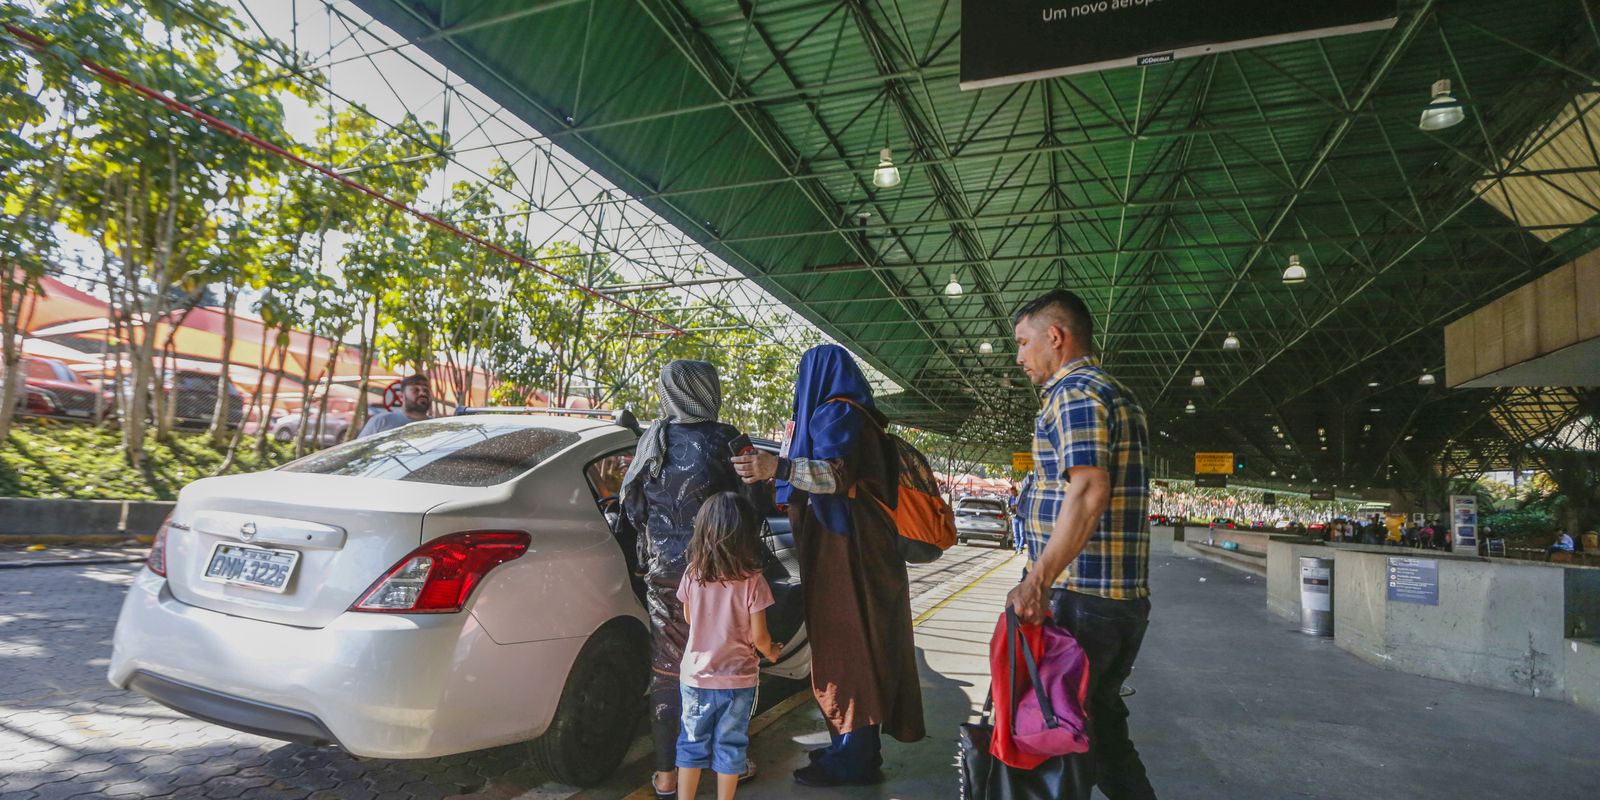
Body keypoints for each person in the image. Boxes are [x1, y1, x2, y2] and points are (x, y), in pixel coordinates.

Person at [731, 344, 925, 787]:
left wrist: (774, 466)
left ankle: (853, 759)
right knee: (860, 649)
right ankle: (855, 748)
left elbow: (834, 476)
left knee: (847, 650)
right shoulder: (858, 417)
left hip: (847, 556)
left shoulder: (839, 415)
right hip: (861, 553)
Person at [1006, 289, 1157, 800]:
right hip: (1118, 600)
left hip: (1082, 596)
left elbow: (1088, 488)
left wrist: (1038, 579)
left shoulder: (1075, 392)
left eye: (1025, 343)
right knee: (1102, 729)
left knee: (1056, 736)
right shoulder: (1117, 393)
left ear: (1055, 336)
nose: (1020, 356)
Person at [619, 360, 752, 800]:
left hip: (664, 576)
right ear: (708, 390)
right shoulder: (728, 438)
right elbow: (752, 504)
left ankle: (667, 776)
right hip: (721, 576)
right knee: (725, 668)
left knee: (668, 669)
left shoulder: (651, 440)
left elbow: (634, 509)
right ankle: (726, 765)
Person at [674, 493, 783, 800]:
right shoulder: (753, 581)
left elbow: (688, 616)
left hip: (696, 678)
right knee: (730, 745)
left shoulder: (693, 573)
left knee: (691, 742)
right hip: (738, 679)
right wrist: (772, 651)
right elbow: (760, 638)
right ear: (747, 534)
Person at [357, 374, 432, 437]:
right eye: (416, 390)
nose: (423, 393)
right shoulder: (381, 422)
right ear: (401, 397)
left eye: (426, 390)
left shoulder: (438, 426)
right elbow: (358, 451)